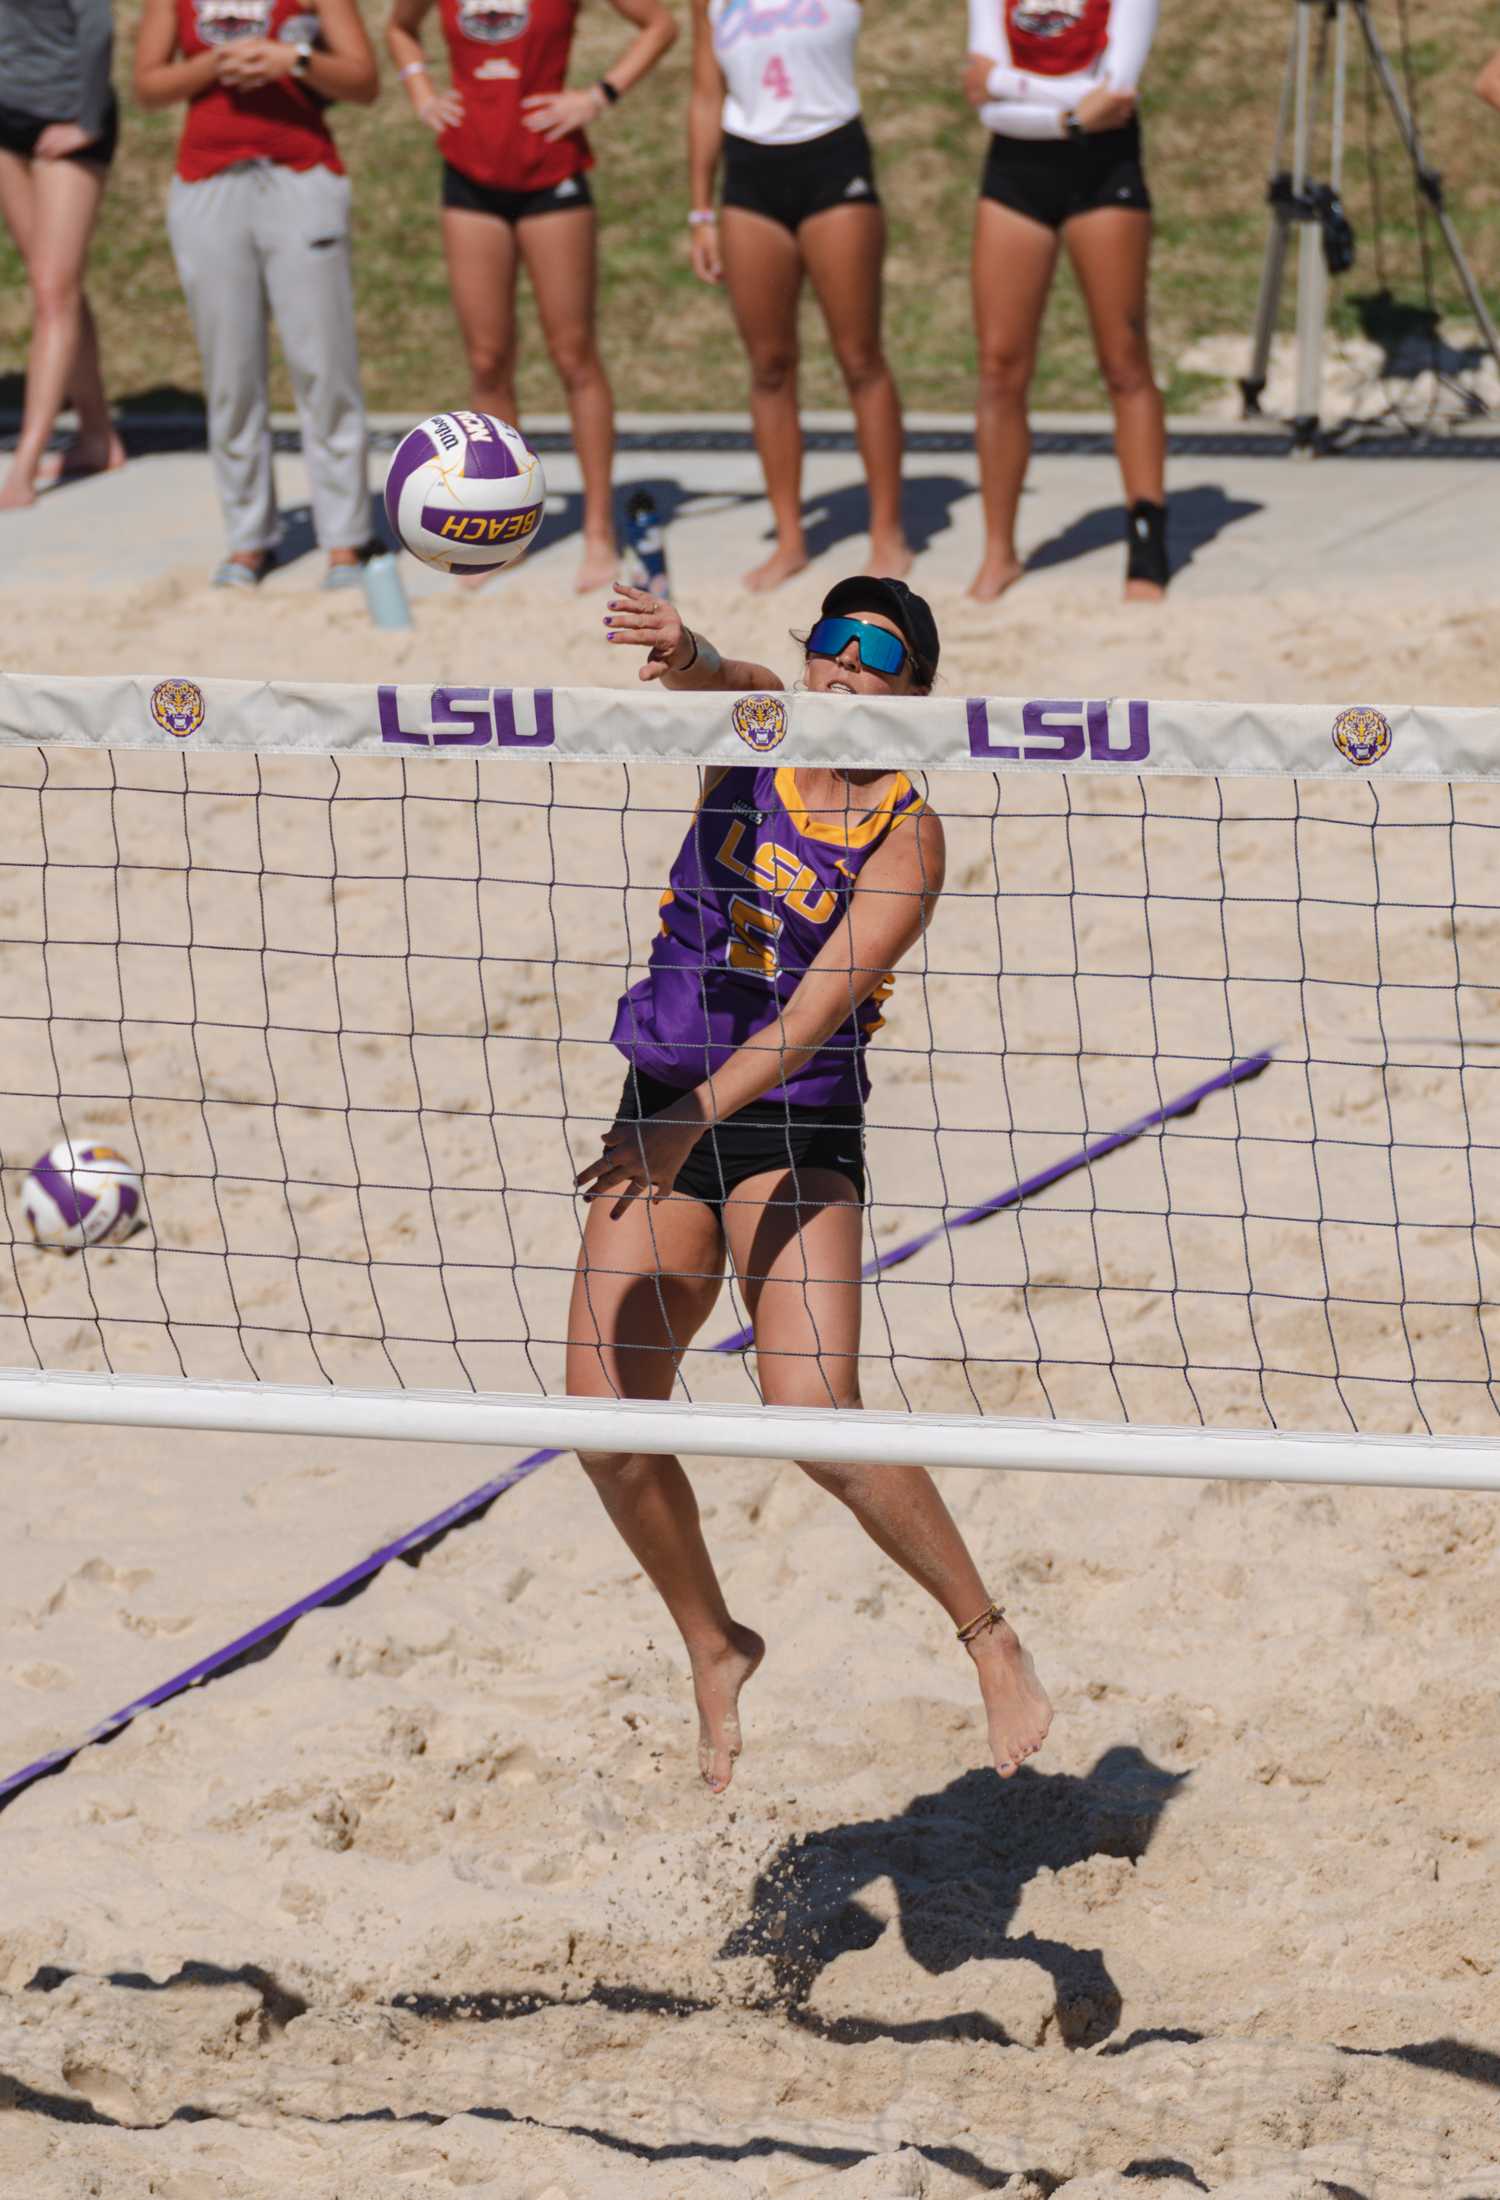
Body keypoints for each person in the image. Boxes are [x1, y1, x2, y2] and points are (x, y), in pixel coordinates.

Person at [568, 573, 1054, 1795]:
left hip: (791, 1123)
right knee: (601, 1425)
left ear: (913, 696)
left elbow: (816, 1010)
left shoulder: (909, 831)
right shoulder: (765, 727)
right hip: (665, 1107)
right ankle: (715, 1641)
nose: (839, 668)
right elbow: (719, 681)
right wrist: (686, 650)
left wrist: (689, 1127)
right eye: (827, 644)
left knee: (812, 1415)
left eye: (871, 657)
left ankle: (987, 1634)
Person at [388, 0, 676, 596]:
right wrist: (420, 90)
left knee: (574, 355)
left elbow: (661, 24)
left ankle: (598, 530)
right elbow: (399, 27)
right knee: (488, 360)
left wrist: (598, 96)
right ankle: (498, 527)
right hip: (469, 176)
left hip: (552, 174)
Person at [134, 0, 379, 590]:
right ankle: (248, 539)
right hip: (207, 181)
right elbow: (148, 85)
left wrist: (290, 58)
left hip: (300, 173)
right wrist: (216, 63)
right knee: (231, 372)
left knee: (324, 364)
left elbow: (363, 81)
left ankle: (345, 538)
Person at [688, 0, 910, 593]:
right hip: (751, 173)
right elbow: (706, 96)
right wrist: (701, 210)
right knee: (768, 365)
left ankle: (887, 532)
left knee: (860, 356)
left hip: (832, 155)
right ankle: (791, 538)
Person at [964, 0, 1166, 603]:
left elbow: (1117, 94)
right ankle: (999, 550)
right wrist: (1072, 110)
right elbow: (983, 97)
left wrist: (1012, 87)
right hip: (1014, 174)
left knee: (1124, 362)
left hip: (1105, 172)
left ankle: (1147, 546)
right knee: (1000, 367)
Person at [0, 0, 125, 509]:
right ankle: (97, 437)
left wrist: (88, 121)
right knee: (55, 285)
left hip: (71, 118)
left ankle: (26, 462)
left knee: (55, 291)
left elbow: (98, 27)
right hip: (8, 117)